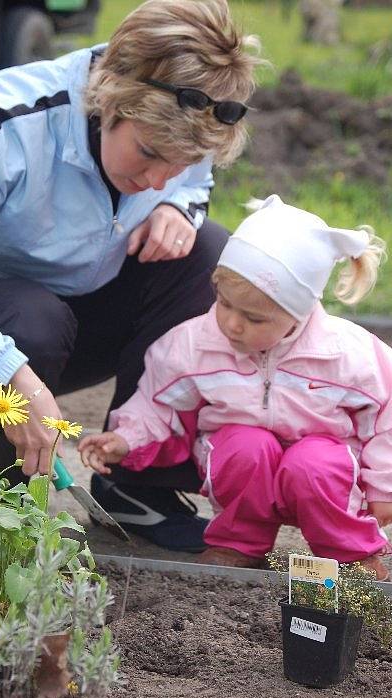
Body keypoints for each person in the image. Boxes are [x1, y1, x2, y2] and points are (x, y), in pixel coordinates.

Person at [0, 0, 260, 552]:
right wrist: (11, 373)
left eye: (176, 165)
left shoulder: (197, 117)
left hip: (65, 321)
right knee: (33, 320)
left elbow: (190, 183)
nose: (158, 179)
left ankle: (136, 485)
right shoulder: (12, 118)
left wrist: (180, 209)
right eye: (149, 154)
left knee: (206, 253)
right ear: (110, 97)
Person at [79, 194, 392, 580]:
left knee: (314, 462)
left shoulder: (347, 354)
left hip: (322, 475)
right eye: (224, 303)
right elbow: (158, 404)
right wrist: (125, 439)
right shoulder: (194, 345)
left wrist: (383, 485)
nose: (232, 324)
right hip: (243, 469)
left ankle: (350, 553)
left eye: (253, 318)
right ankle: (238, 544)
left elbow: (386, 416)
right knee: (244, 447)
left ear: (299, 312)